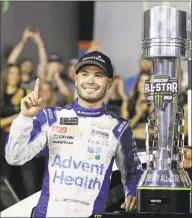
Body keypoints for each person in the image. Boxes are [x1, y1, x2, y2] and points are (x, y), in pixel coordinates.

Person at [5, 51, 143, 217]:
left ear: (109, 82)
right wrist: (25, 118)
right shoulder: (51, 117)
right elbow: (14, 157)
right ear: (76, 78)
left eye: (98, 75)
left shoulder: (119, 128)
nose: (90, 80)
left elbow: (133, 173)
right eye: (85, 74)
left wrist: (132, 193)